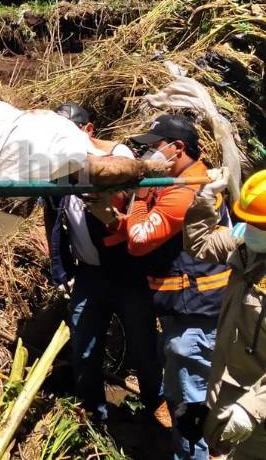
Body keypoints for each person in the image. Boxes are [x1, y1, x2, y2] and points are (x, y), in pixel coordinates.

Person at [110, 114, 230, 460]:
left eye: (152, 147)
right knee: (185, 391)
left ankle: (194, 455)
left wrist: (141, 193)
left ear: (177, 149)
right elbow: (138, 230)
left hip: (196, 309)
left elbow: (138, 240)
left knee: (191, 397)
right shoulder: (182, 182)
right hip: (187, 307)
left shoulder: (186, 189)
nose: (146, 154)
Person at [45, 103, 163, 424]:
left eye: (65, 135)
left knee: (143, 346)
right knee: (84, 347)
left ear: (89, 131)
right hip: (88, 275)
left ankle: (156, 407)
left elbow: (130, 210)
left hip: (127, 272)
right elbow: (53, 220)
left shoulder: (117, 162)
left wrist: (95, 178)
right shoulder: (54, 167)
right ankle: (94, 414)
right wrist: (61, 271)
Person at [183, 168, 266, 459]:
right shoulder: (247, 247)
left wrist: (253, 409)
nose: (251, 229)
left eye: (260, 225)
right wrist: (206, 199)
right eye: (250, 222)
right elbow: (199, 245)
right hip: (232, 386)